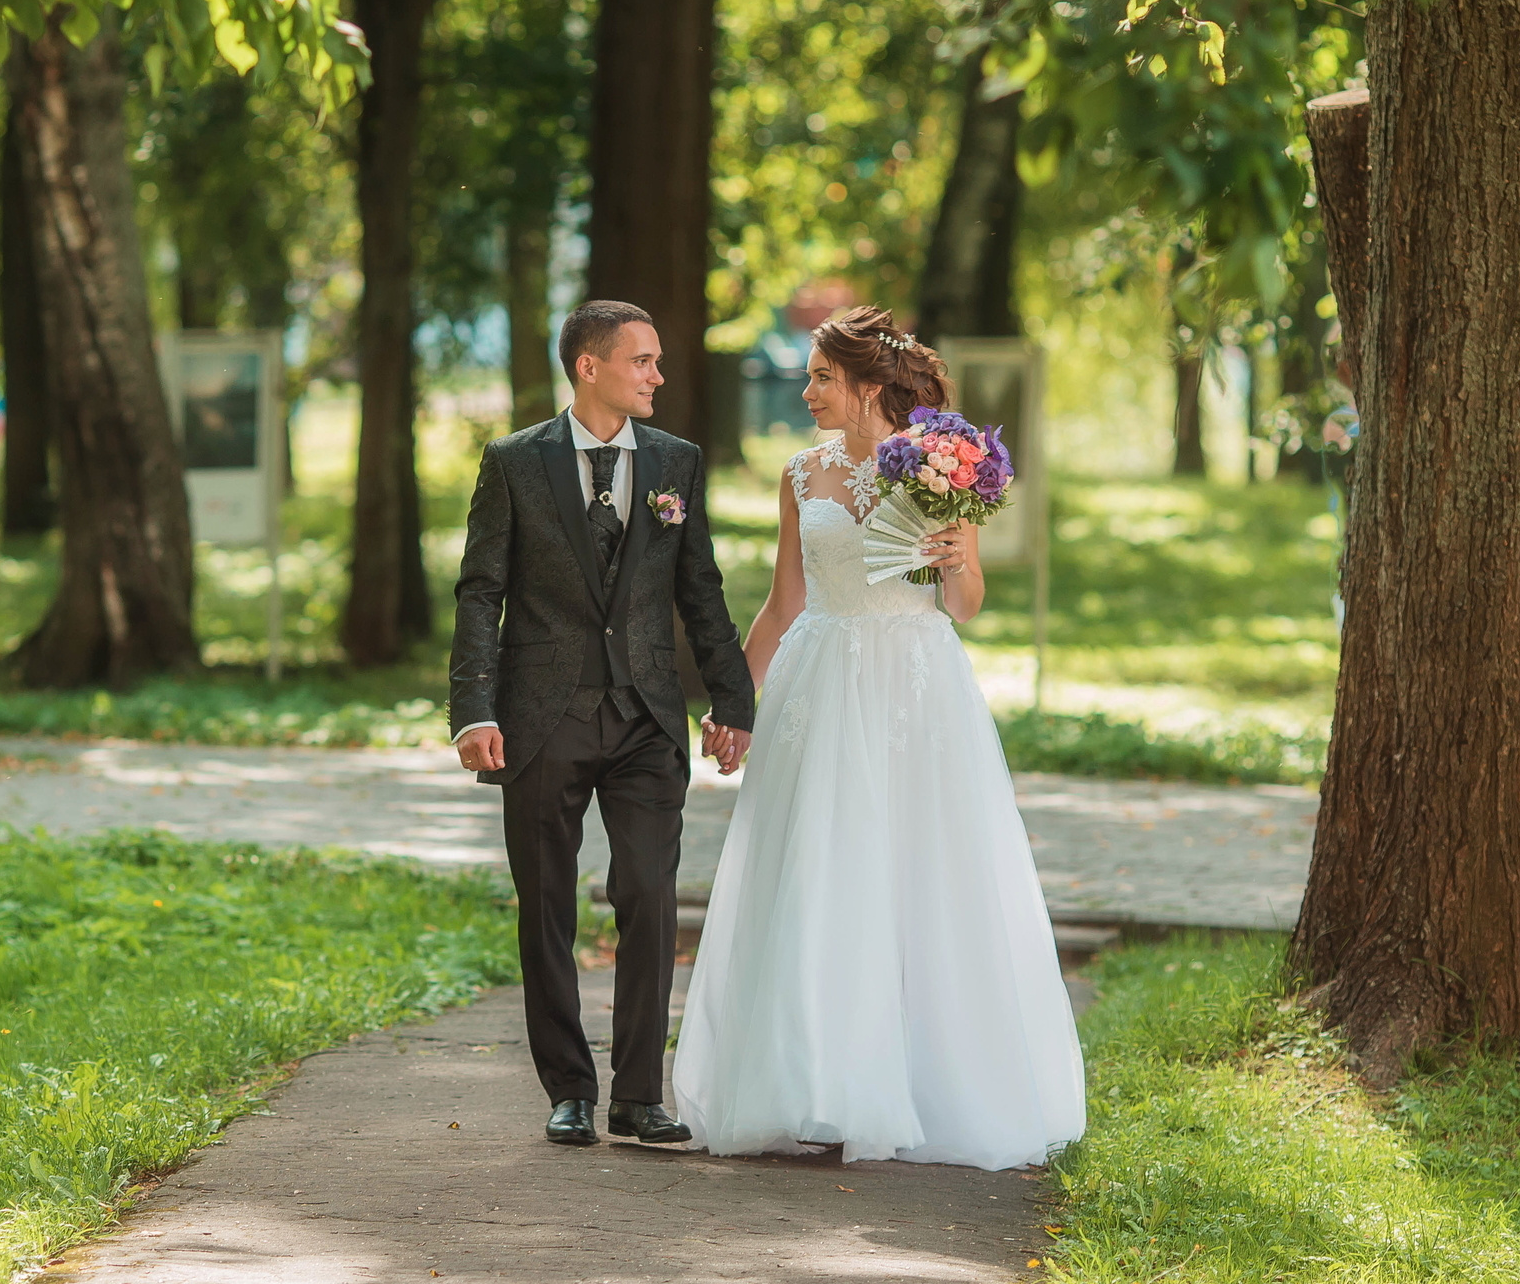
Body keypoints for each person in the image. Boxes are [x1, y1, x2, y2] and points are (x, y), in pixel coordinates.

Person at [671, 306, 1086, 1168]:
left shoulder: (943, 463)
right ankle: (816, 1082)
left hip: (915, 683)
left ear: (866, 386)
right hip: (819, 681)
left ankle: (924, 1080)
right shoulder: (800, 473)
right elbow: (784, 603)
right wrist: (733, 703)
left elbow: (965, 605)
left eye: (821, 376)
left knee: (918, 872)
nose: (807, 389)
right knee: (819, 870)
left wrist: (955, 560)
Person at [448, 300, 756, 1147]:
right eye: (643, 361)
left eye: (657, 361)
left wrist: (733, 702)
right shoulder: (515, 462)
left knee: (650, 896)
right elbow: (481, 591)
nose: (658, 375)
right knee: (546, 902)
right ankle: (570, 1089)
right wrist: (473, 709)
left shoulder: (675, 462)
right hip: (540, 717)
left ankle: (639, 1093)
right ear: (590, 367)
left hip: (647, 717)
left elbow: (701, 590)